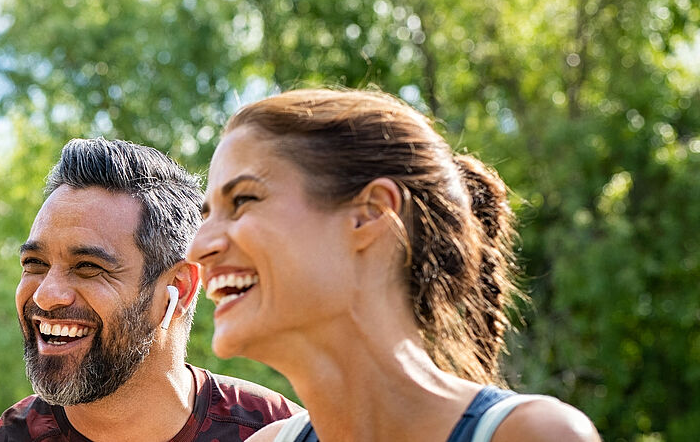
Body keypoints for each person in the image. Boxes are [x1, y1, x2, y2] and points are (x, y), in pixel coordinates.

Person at [190, 89, 600, 442]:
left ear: (370, 214)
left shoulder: (533, 435)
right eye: (207, 214)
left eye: (242, 200)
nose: (198, 247)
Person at [0, 138, 298, 442]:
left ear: (179, 287)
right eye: (35, 264)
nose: (45, 295)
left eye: (88, 267)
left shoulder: (283, 432)